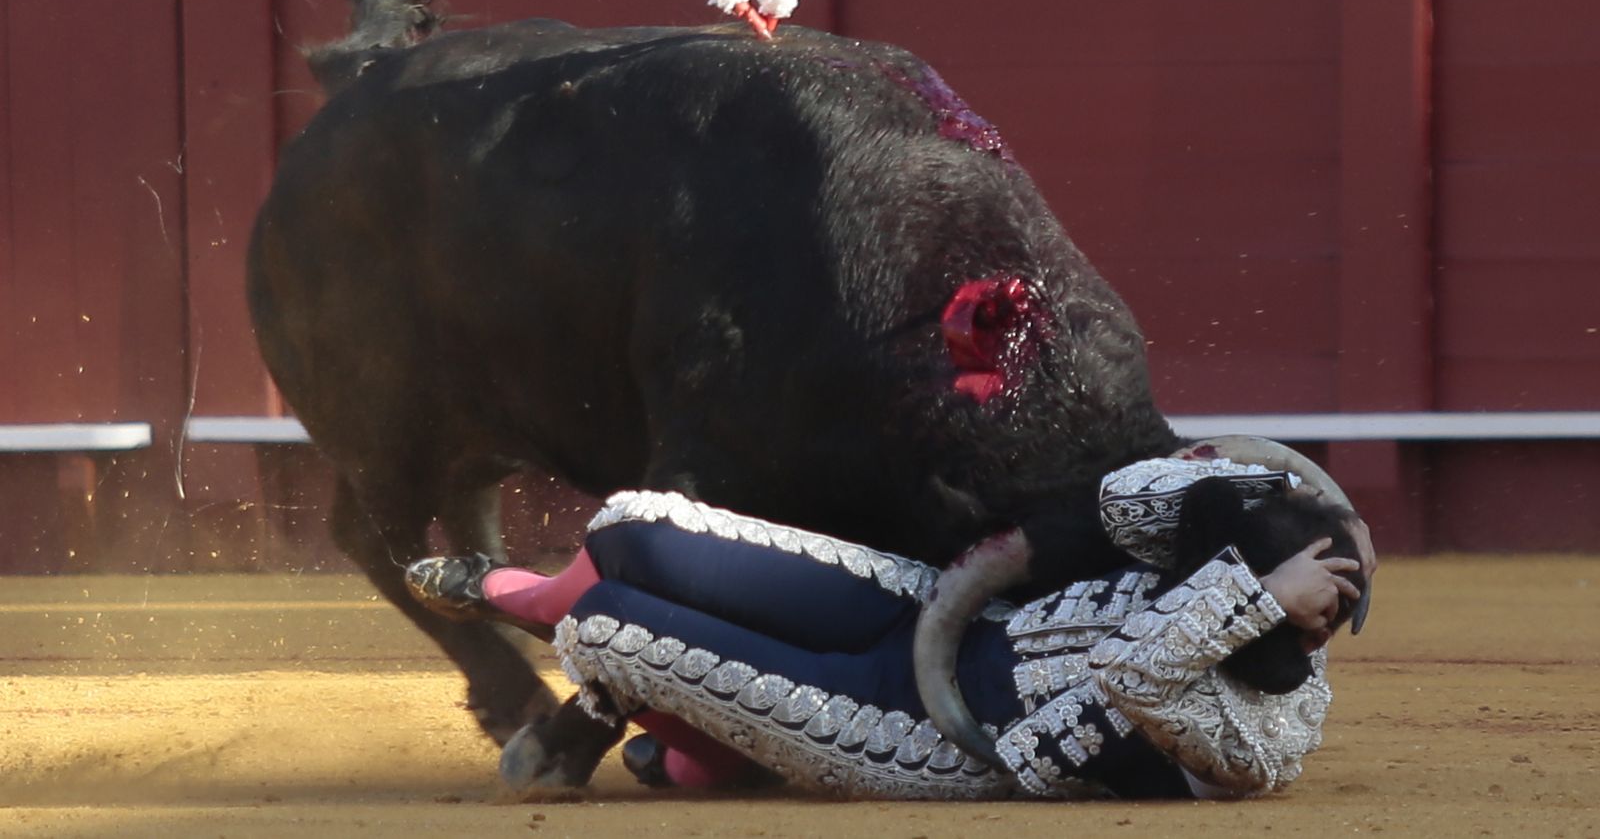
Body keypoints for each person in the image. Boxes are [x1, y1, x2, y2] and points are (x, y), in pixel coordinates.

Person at [407, 456, 1370, 800]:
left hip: (923, 740)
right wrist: (1291, 496)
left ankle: (687, 735)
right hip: (934, 626)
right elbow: (1126, 503)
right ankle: (694, 743)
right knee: (636, 531)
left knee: (613, 630)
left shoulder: (1266, 742)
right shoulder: (1235, 567)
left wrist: (1258, 598)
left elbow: (1132, 675)